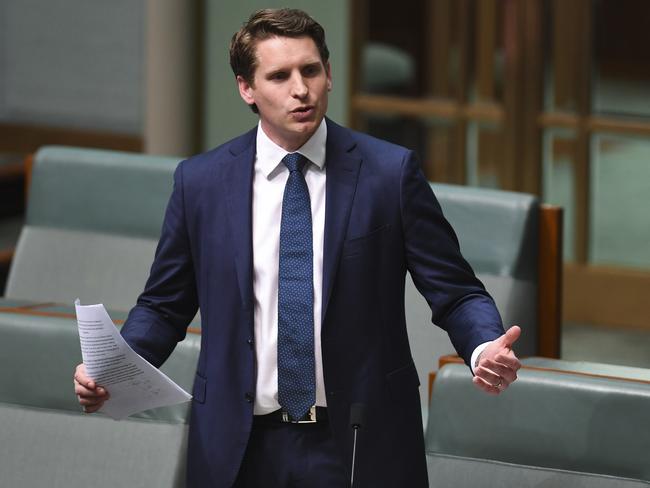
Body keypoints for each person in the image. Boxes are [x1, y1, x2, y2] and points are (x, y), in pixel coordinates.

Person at [74, 8, 521, 488]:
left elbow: (455, 291)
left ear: (329, 74)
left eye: (310, 70)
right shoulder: (200, 183)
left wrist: (481, 346)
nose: (300, 89)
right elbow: (164, 306)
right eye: (279, 75)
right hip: (238, 444)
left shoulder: (389, 175)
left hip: (357, 441)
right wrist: (113, 370)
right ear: (247, 89)